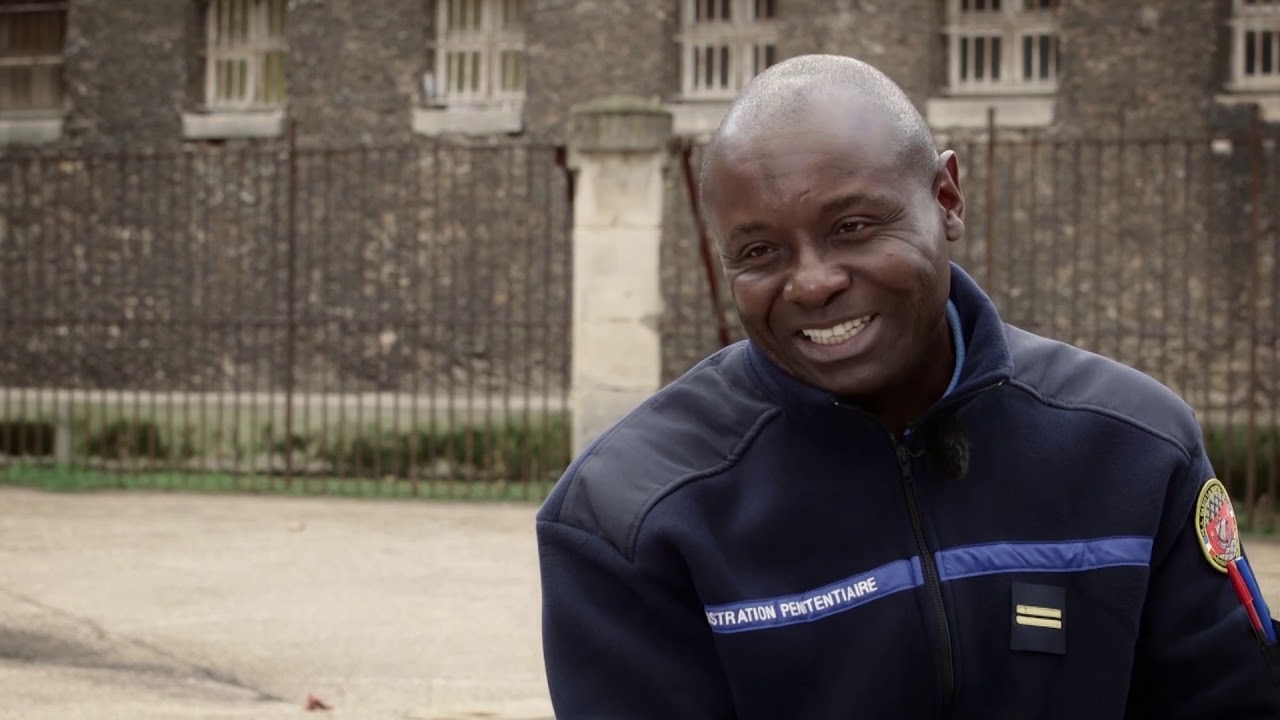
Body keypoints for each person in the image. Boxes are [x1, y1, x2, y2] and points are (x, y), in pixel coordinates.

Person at [535, 54, 1280, 718]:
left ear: (947, 198)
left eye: (853, 226)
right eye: (759, 251)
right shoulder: (628, 515)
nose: (813, 282)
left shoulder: (1135, 450)